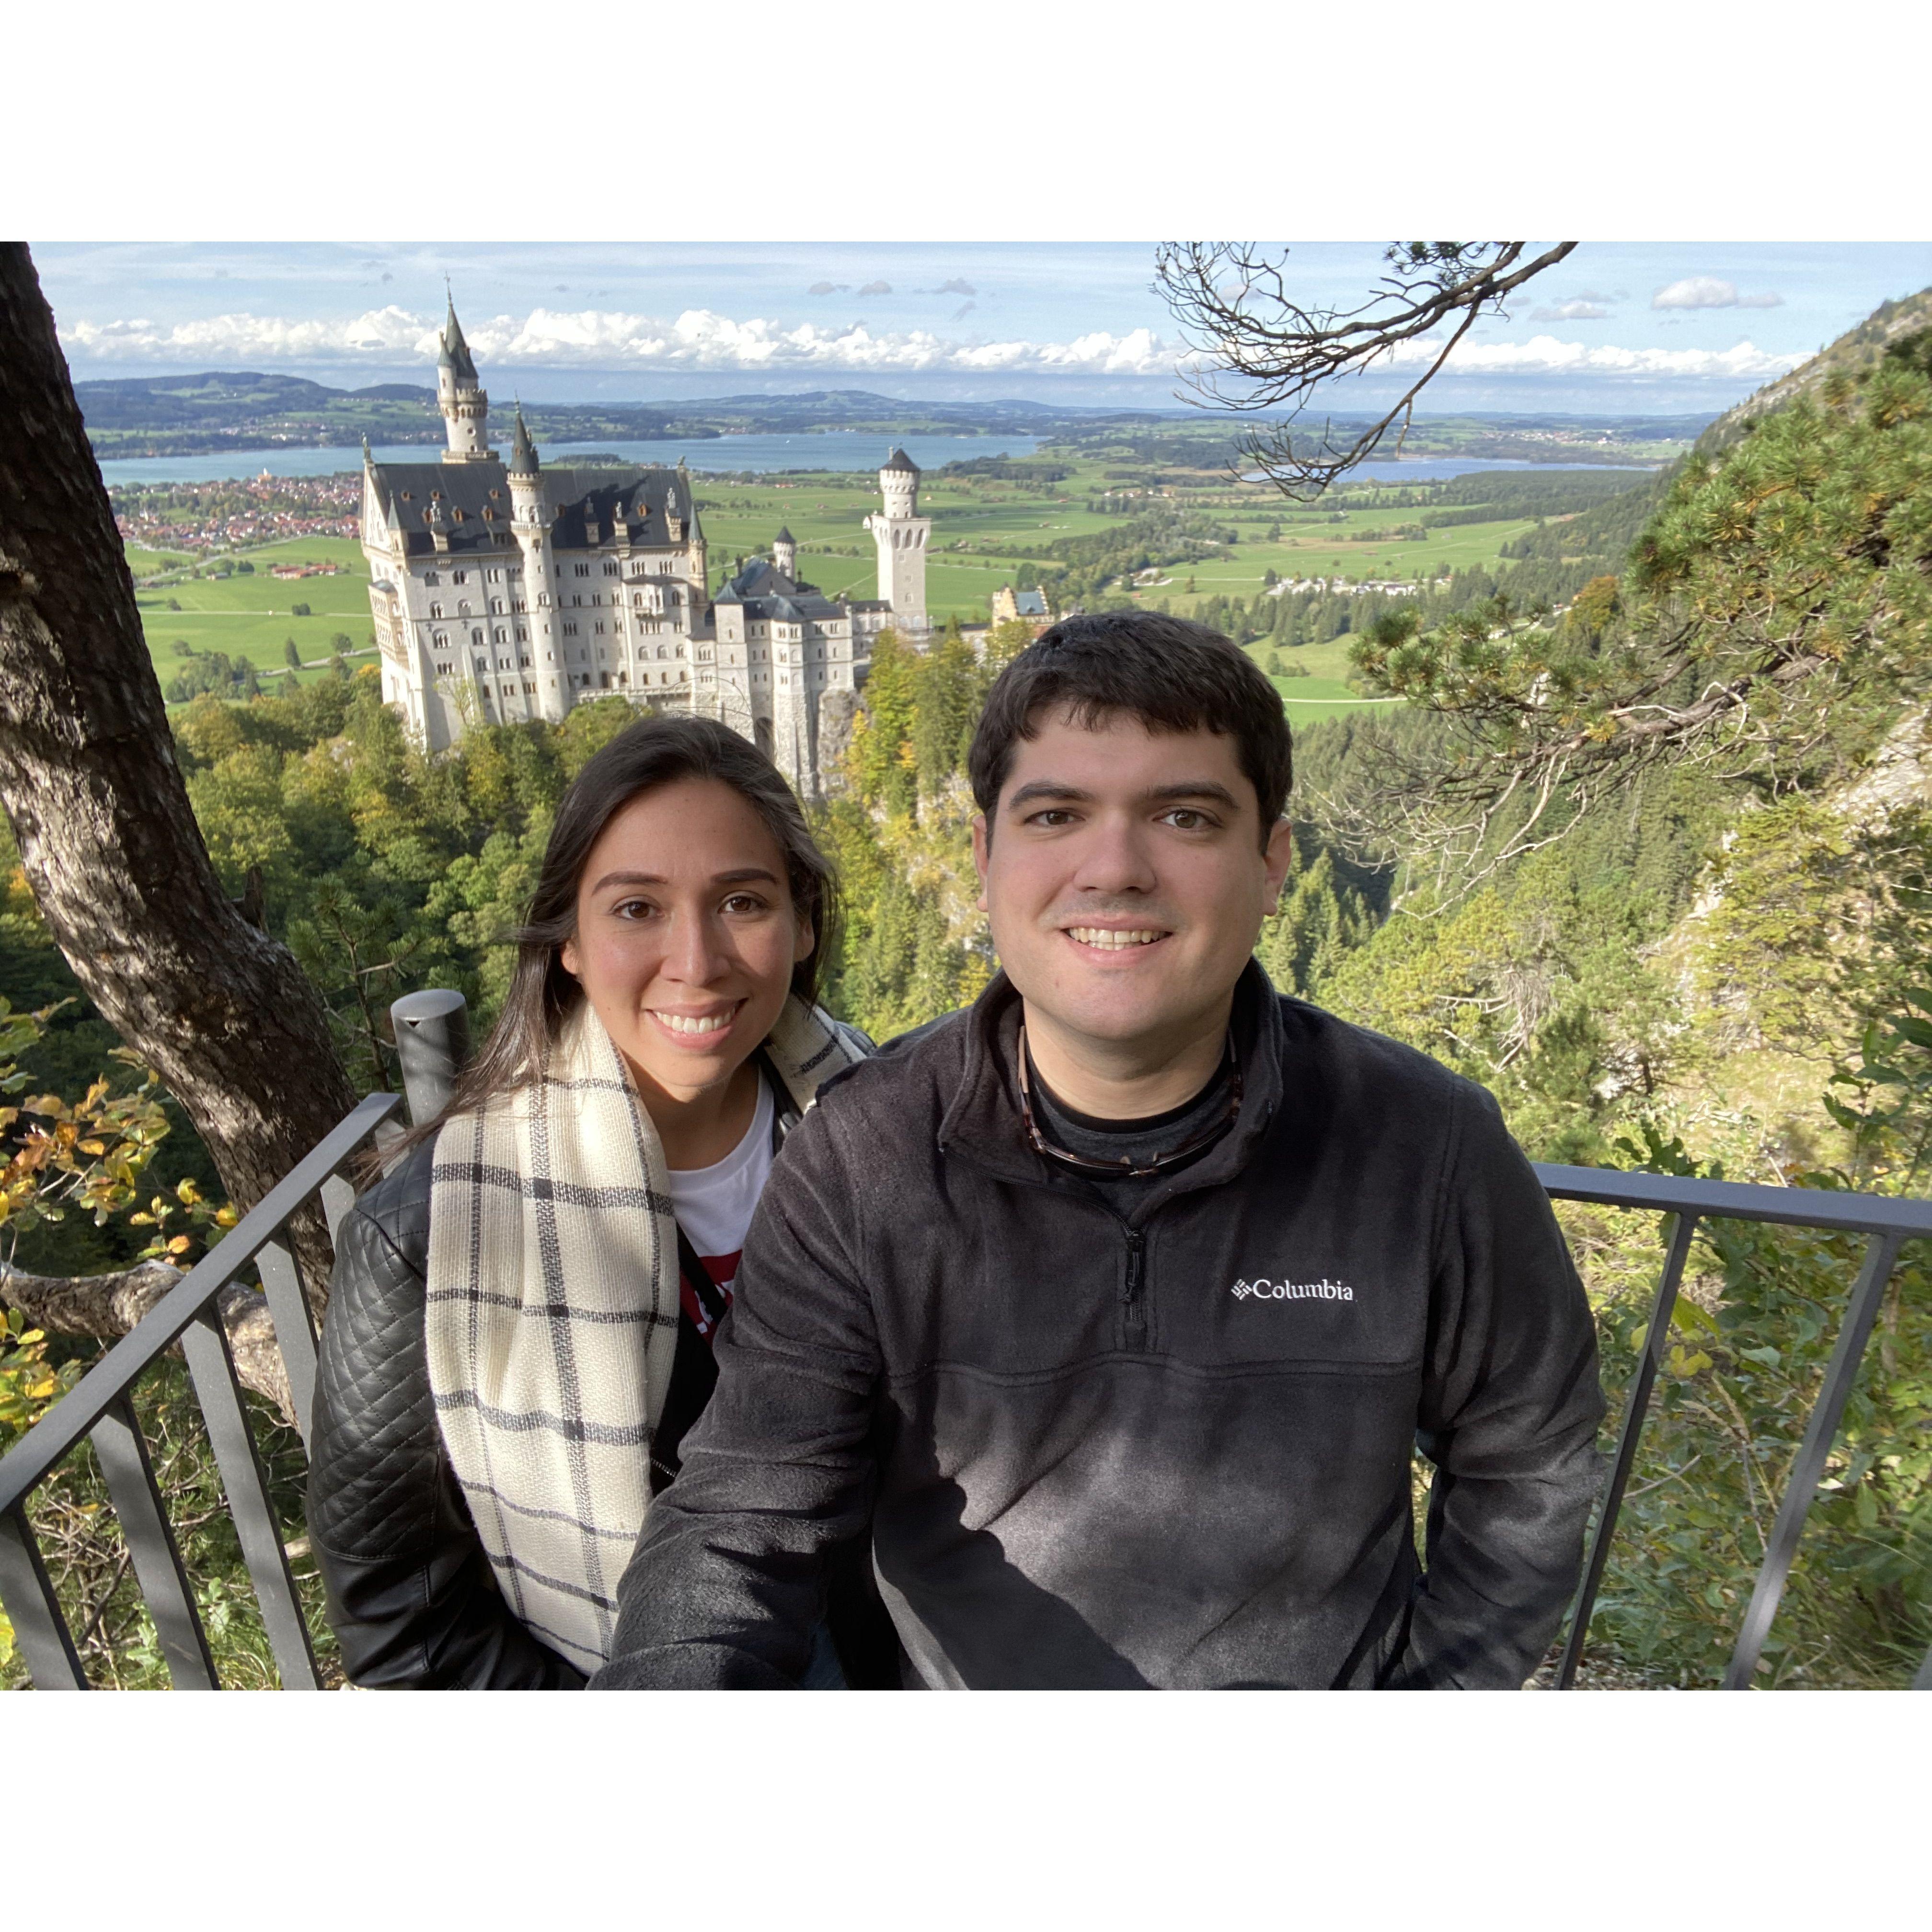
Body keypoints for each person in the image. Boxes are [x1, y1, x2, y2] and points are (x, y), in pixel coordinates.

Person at [592, 613, 1607, 1690]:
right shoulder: (863, 1158)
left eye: (1184, 815)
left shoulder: (1424, 1145)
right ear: (985, 857)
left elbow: (1529, 1460)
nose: (1115, 868)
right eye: (1057, 814)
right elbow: (743, 1516)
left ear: (1272, 864)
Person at [306, 715, 894, 1688]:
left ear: (805, 922)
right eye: (636, 910)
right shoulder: (434, 1234)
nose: (696, 961)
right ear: (568, 942)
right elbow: (408, 1631)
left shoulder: (889, 1135)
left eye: (742, 901)